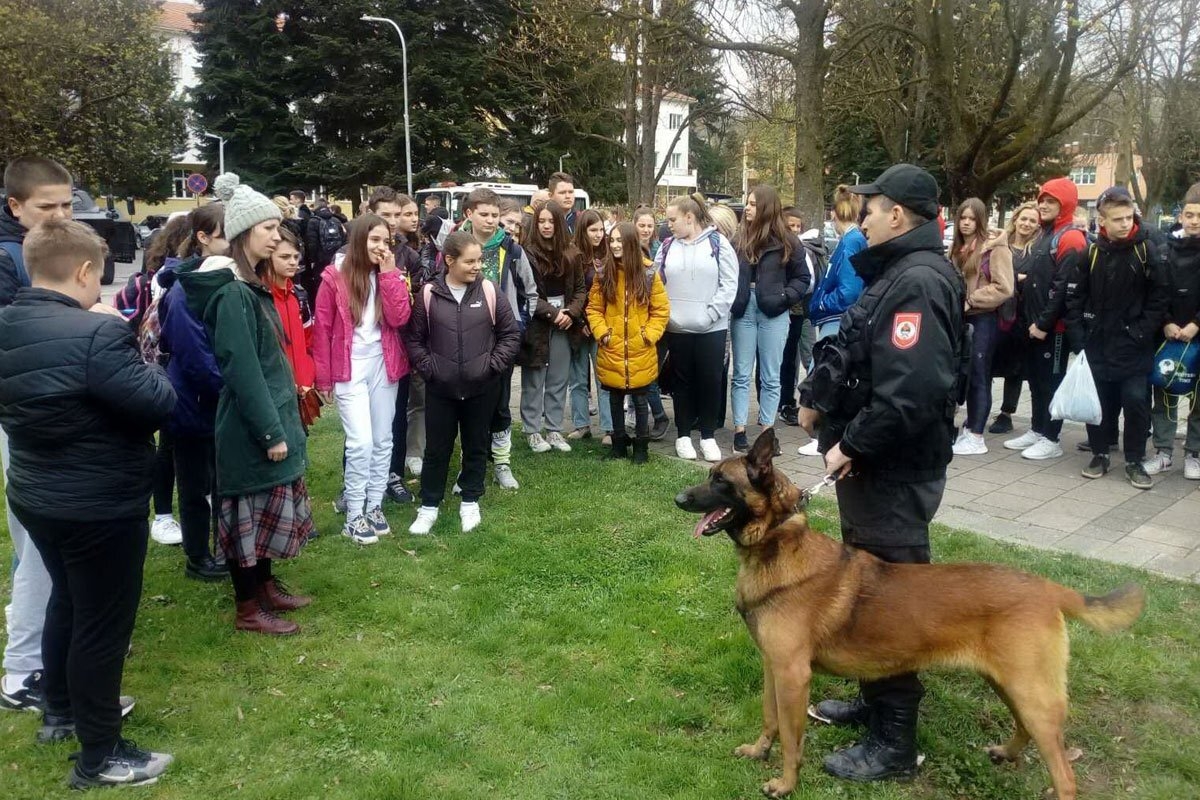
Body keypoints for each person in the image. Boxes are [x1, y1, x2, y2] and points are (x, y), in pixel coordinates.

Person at [798, 164, 965, 784]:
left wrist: (850, 448)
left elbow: (911, 393)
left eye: (870, 207)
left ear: (899, 215)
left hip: (891, 468)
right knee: (868, 590)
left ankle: (897, 742)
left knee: (891, 602)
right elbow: (862, 357)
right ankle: (874, 701)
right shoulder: (898, 272)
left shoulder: (917, 281)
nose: (860, 215)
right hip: (877, 466)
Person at [0, 219, 176, 787]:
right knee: (101, 624)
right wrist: (121, 331)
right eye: (98, 276)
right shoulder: (98, 333)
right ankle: (101, 755)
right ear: (83, 271)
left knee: (67, 603)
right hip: (98, 504)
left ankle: (59, 709)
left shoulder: (6, 322)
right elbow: (156, 401)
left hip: (36, 494)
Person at [178, 173, 315, 636]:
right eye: (267, 229)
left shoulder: (249, 283)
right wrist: (270, 432)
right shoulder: (233, 292)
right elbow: (242, 371)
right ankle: (248, 608)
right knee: (247, 520)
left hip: (271, 414)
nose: (277, 236)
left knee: (266, 511)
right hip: (250, 427)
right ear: (242, 234)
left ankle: (267, 586)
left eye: (277, 227)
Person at [0, 156, 73, 716]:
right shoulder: (6, 259)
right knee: (36, 547)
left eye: (68, 205)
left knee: (52, 546)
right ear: (16, 206)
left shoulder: (52, 249)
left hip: (59, 413)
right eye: (47, 207)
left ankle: (51, 647)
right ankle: (22, 669)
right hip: (23, 419)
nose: (59, 217)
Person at [403, 231, 521, 534]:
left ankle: (470, 500)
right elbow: (415, 340)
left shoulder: (490, 291)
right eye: (470, 261)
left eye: (479, 260)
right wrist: (431, 370)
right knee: (437, 450)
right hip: (440, 389)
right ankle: (428, 506)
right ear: (449, 260)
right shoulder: (428, 294)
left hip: (482, 387)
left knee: (476, 446)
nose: (477, 266)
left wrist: (490, 367)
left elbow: (510, 334)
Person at [313, 214, 412, 543]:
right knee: (360, 443)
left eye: (386, 241)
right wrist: (323, 379)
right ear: (358, 240)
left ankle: (374, 506)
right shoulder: (333, 278)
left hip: (384, 364)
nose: (382, 247)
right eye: (375, 240)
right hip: (349, 367)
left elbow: (400, 317)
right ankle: (354, 513)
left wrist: (389, 276)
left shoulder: (388, 273)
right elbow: (323, 330)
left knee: (384, 439)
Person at [1066, 186, 1170, 488]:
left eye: (1129, 218)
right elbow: (1074, 298)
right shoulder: (1092, 252)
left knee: (1136, 402)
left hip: (1133, 346)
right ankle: (1100, 453)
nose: (1125, 224)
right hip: (1096, 344)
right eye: (1118, 219)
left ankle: (1135, 460)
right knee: (1097, 402)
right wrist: (1079, 338)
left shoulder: (1146, 250)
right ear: (1103, 221)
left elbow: (1159, 297)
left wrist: (1140, 331)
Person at [155, 202, 231, 582]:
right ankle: (198, 556)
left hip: (212, 399)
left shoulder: (217, 278)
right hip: (192, 402)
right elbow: (195, 354)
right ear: (203, 238)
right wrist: (229, 388)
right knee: (195, 483)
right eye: (225, 234)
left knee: (217, 478)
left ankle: (218, 545)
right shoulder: (185, 289)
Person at [1003, 178, 1089, 459]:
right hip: (1034, 325)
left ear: (1065, 204)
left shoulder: (1071, 237)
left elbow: (1063, 289)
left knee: (1051, 383)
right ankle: (1038, 429)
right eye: (1042, 200)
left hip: (1053, 329)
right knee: (1037, 382)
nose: (1043, 205)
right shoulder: (1047, 234)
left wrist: (1043, 324)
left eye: (1050, 201)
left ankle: (1051, 438)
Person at [459, 187, 538, 489]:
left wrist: (517, 328)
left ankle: (502, 462)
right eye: (485, 214)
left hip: (502, 342)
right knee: (469, 405)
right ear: (469, 214)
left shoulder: (511, 249)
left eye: (495, 215)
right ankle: (470, 465)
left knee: (500, 404)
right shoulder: (456, 246)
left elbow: (529, 291)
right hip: (465, 340)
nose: (491, 221)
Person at [655, 195, 738, 462]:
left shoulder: (719, 244)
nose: (668, 225)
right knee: (681, 383)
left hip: (711, 329)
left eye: (672, 219)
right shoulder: (667, 246)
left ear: (689, 218)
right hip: (677, 329)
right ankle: (682, 435)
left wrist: (711, 314)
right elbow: (657, 284)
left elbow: (729, 284)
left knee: (710, 381)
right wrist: (668, 316)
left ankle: (708, 435)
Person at [729, 185, 810, 453]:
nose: (747, 208)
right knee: (741, 373)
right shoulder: (739, 239)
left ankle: (767, 431)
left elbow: (803, 278)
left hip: (774, 311)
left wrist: (785, 296)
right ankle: (739, 430)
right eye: (747, 203)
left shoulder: (788, 241)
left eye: (752, 204)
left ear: (765, 207)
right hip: (744, 309)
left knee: (770, 375)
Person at [588, 221, 670, 462]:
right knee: (614, 398)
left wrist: (649, 335)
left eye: (619, 240)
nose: (614, 245)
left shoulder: (648, 273)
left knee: (640, 398)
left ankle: (642, 448)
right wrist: (603, 333)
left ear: (631, 243)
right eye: (611, 240)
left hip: (639, 348)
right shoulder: (603, 274)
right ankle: (619, 444)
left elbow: (661, 310)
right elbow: (594, 308)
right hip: (612, 347)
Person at [360, 187, 421, 505]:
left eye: (398, 215)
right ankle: (354, 479)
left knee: (396, 416)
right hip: (362, 351)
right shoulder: (351, 255)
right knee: (360, 422)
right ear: (369, 213)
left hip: (398, 349)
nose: (394, 222)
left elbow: (413, 305)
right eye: (386, 215)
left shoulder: (408, 256)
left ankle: (392, 474)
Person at [519, 201, 586, 453]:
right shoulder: (526, 252)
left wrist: (571, 313)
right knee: (535, 378)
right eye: (541, 221)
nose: (546, 226)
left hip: (565, 322)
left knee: (559, 377)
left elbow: (580, 289)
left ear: (559, 223)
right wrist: (553, 313)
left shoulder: (572, 253)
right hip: (538, 323)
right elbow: (527, 293)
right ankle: (532, 430)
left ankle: (554, 429)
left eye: (551, 221)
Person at [1144, 183, 1200, 478]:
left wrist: (1195, 324)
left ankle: (1195, 454)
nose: (1194, 221)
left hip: (1197, 334)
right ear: (1181, 215)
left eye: (1199, 216)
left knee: (1199, 399)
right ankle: (1163, 452)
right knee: (1164, 394)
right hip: (1168, 335)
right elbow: (1156, 291)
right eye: (1189, 214)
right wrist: (1165, 321)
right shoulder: (1165, 249)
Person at [950, 198, 1013, 456]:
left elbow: (1005, 287)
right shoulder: (956, 248)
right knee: (963, 375)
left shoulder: (994, 248)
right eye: (962, 218)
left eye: (972, 218)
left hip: (984, 318)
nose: (966, 223)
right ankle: (968, 427)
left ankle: (976, 434)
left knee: (979, 376)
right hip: (962, 319)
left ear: (980, 220)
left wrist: (971, 300)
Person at [987, 201, 1041, 435]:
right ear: (1015, 219)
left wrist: (1020, 278)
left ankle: (1006, 413)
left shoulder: (1037, 251)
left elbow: (1039, 279)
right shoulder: (1001, 244)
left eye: (1032, 221)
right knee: (986, 363)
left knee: (1015, 368)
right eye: (1024, 218)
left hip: (1020, 315)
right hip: (995, 312)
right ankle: (982, 407)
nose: (1027, 224)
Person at [261, 226, 318, 428]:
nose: (293, 262)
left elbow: (309, 340)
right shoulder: (259, 298)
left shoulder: (299, 295)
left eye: (295, 256)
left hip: (300, 389)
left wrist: (307, 377)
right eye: (285, 257)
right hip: (273, 391)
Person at [568, 208, 612, 442]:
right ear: (582, 231)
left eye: (601, 230)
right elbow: (572, 291)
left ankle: (609, 428)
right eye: (593, 230)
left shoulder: (608, 256)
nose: (598, 235)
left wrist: (597, 323)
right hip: (578, 326)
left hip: (601, 326)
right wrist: (581, 320)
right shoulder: (573, 255)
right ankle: (581, 424)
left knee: (603, 378)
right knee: (577, 378)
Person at [303, 198, 347, 299]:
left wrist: (312, 260)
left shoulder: (313, 221)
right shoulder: (336, 220)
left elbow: (312, 243)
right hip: (335, 258)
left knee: (320, 285)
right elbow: (343, 239)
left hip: (320, 260)